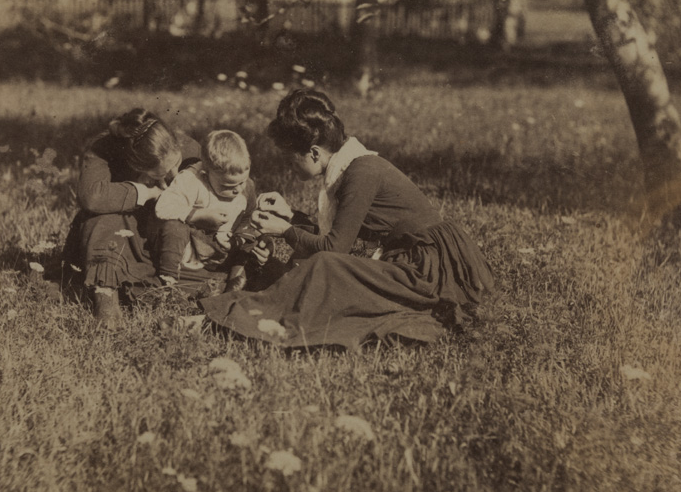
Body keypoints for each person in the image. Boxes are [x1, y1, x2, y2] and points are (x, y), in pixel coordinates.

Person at [198, 89, 495, 350]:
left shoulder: (361, 173)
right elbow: (345, 237)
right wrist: (290, 216)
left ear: (314, 153)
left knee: (324, 267)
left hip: (428, 270)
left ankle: (231, 318)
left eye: (291, 159)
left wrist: (286, 230)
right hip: (414, 259)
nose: (290, 167)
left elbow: (334, 249)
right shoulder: (350, 167)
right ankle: (246, 312)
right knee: (327, 273)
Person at [63, 107, 202, 328]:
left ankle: (152, 289)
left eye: (176, 164)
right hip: (115, 236)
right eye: (161, 173)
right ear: (137, 166)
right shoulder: (103, 148)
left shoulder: (188, 147)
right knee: (101, 220)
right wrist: (146, 192)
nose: (174, 175)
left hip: (160, 234)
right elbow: (92, 197)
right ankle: (106, 297)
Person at [155, 130, 272, 292]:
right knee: (173, 227)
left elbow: (248, 217)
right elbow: (162, 207)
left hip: (224, 247)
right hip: (192, 245)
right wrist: (199, 215)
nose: (238, 190)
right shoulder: (192, 179)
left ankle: (235, 281)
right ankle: (168, 280)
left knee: (259, 239)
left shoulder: (246, 187)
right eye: (227, 186)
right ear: (206, 174)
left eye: (242, 182)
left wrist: (237, 240)